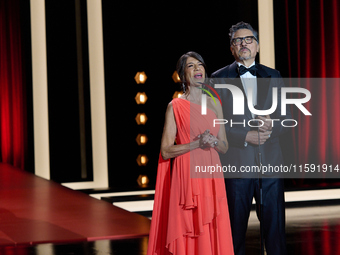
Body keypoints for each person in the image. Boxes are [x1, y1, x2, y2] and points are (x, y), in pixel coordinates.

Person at [210, 22, 291, 255]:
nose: (243, 44)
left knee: (275, 232)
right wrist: (244, 136)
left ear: (257, 45)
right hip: (236, 165)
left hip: (271, 164)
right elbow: (213, 124)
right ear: (231, 48)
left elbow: (287, 117)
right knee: (233, 232)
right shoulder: (217, 78)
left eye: (248, 39)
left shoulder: (273, 75)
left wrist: (272, 126)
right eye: (237, 40)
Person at [147, 51, 234, 255]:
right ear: (181, 76)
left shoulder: (215, 103)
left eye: (200, 65)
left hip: (211, 173)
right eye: (191, 66)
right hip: (186, 175)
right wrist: (196, 144)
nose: (197, 69)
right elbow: (166, 151)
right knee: (188, 225)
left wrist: (213, 141)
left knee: (210, 226)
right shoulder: (174, 107)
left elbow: (225, 146)